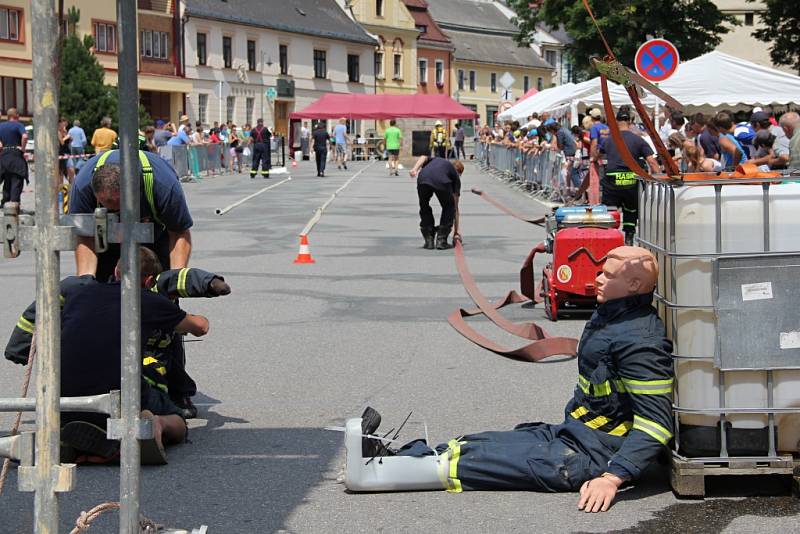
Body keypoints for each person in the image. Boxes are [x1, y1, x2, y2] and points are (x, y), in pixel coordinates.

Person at [355, 246, 673, 514]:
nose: (598, 279)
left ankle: (382, 472)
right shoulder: (612, 316)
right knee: (476, 443)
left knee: (481, 463)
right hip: (574, 436)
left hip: (596, 456)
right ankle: (397, 455)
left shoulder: (640, 340)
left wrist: (613, 477)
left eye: (608, 275)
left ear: (633, 285)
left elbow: (655, 424)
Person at [6, 248, 212, 463]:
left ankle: (75, 443)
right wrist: (182, 312)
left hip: (63, 399)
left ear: (115, 271)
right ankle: (156, 424)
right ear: (149, 280)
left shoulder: (77, 294)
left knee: (80, 405)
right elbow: (200, 327)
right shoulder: (149, 300)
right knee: (178, 422)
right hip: (120, 400)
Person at [68, 149, 197, 417]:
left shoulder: (161, 185)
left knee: (162, 314)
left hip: (155, 237)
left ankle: (177, 391)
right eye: (107, 205)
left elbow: (180, 233)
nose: (114, 210)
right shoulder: (82, 186)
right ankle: (107, 386)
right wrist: (86, 284)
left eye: (118, 205)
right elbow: (84, 237)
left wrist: (172, 284)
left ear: (131, 191)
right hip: (103, 240)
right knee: (101, 310)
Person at [601, 106, 660, 245]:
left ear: (616, 121)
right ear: (631, 121)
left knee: (610, 211)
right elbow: (651, 161)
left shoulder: (609, 140)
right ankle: (629, 236)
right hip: (630, 181)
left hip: (612, 180)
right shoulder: (638, 140)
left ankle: (609, 238)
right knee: (631, 210)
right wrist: (660, 178)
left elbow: (597, 153)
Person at [409, 155, 463, 250]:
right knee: (449, 207)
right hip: (441, 180)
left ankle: (428, 240)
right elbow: (455, 207)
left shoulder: (437, 160)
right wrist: (456, 231)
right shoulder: (455, 176)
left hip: (423, 178)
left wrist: (415, 169)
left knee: (424, 205)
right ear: (458, 172)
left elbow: (423, 157)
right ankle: (441, 240)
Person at [0, 107, 29, 208]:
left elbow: (0, 145)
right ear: (16, 115)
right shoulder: (19, 125)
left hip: (4, 156)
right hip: (16, 155)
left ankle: (5, 204)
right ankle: (14, 206)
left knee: (7, 181)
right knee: (16, 181)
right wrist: (23, 148)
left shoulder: (1, 126)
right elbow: (25, 137)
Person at [549, 120, 579, 192]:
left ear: (553, 130)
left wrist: (552, 147)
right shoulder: (565, 129)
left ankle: (575, 191)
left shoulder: (560, 132)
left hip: (570, 153)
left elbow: (560, 146)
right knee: (569, 173)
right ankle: (569, 191)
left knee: (567, 173)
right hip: (572, 152)